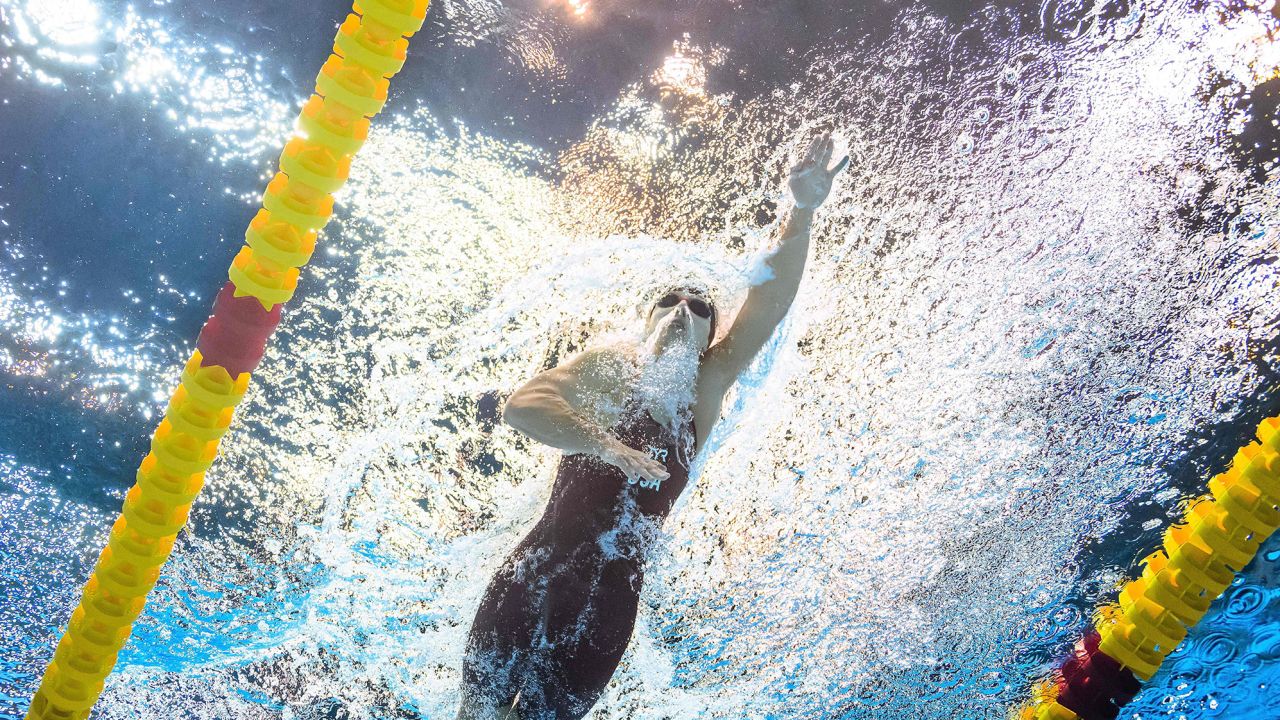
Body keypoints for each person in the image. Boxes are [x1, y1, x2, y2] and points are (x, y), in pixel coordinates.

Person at [456, 131, 849, 719]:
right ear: (645, 321)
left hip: (608, 607)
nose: (679, 312)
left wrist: (802, 211)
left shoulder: (703, 390)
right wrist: (608, 447)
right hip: (535, 570)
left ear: (710, 339)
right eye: (667, 301)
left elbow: (768, 305)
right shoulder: (610, 372)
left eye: (698, 310)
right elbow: (524, 406)